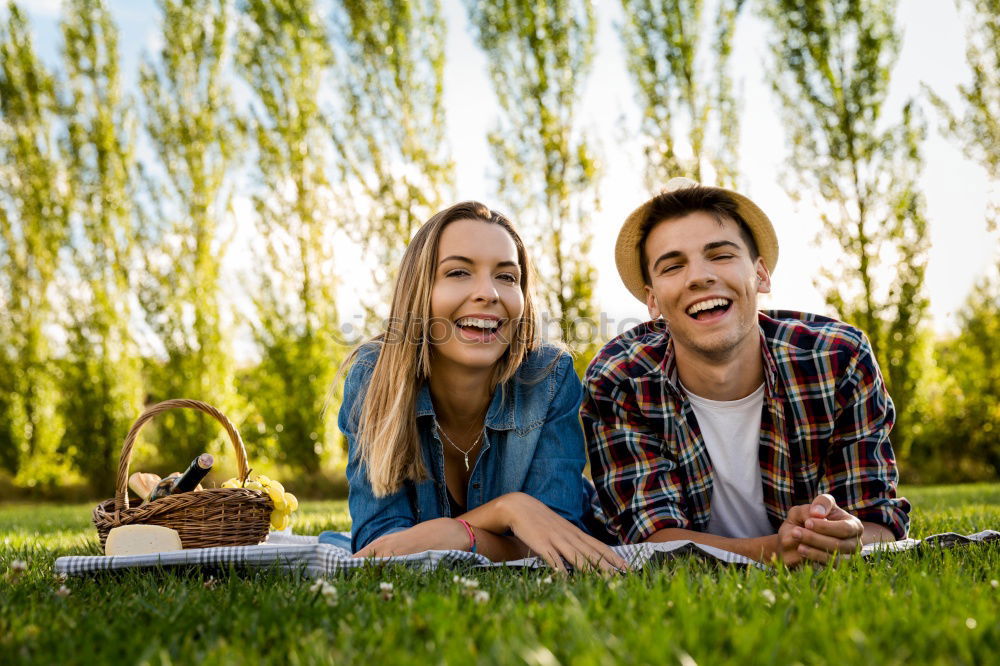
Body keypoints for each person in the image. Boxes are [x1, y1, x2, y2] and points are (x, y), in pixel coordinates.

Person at [581, 177, 910, 567]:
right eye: (673, 266)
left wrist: (842, 534)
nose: (699, 276)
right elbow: (650, 542)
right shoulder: (620, 379)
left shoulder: (839, 359)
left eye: (720, 255)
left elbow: (877, 521)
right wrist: (775, 550)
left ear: (761, 275)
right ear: (652, 300)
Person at [322, 201, 627, 573]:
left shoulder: (549, 376)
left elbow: (555, 538)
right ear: (418, 292)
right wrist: (507, 511)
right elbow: (379, 545)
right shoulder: (374, 378)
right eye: (459, 272)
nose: (489, 293)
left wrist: (449, 536)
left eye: (507, 277)